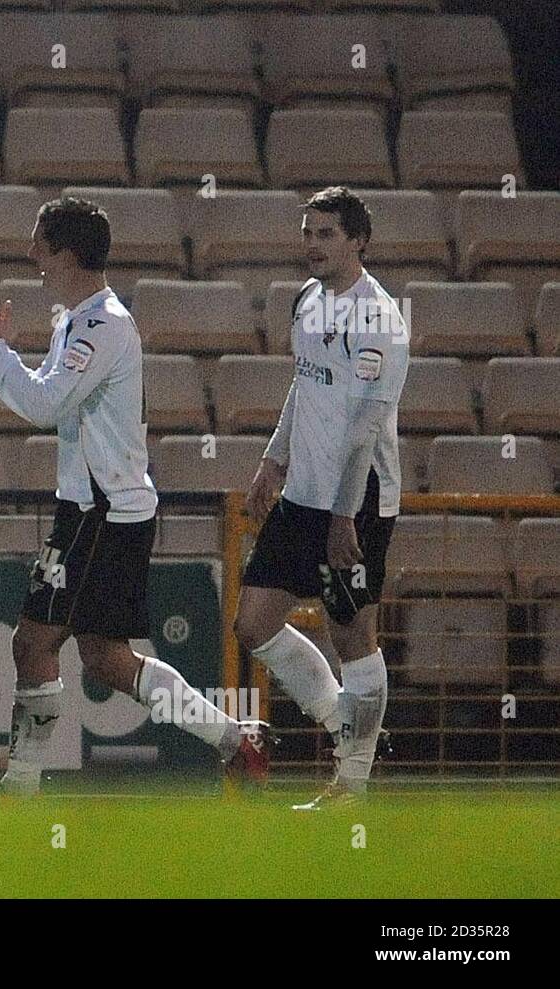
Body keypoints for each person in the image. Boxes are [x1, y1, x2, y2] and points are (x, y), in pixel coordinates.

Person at [0, 196, 271, 797]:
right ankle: (233, 741)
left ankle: (24, 791)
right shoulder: (83, 319)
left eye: (39, 242)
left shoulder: (100, 324)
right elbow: (45, 392)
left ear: (65, 251)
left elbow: (42, 405)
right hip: (105, 508)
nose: (31, 255)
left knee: (33, 642)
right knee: (107, 660)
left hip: (100, 512)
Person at [233, 187, 410, 810]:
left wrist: (343, 515)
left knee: (353, 637)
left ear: (358, 241)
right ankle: (347, 725)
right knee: (252, 623)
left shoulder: (379, 319)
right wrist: (274, 458)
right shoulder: (308, 300)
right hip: (303, 491)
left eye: (326, 234)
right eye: (308, 233)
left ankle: (352, 784)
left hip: (356, 502)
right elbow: (303, 384)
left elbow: (365, 423)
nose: (312, 244)